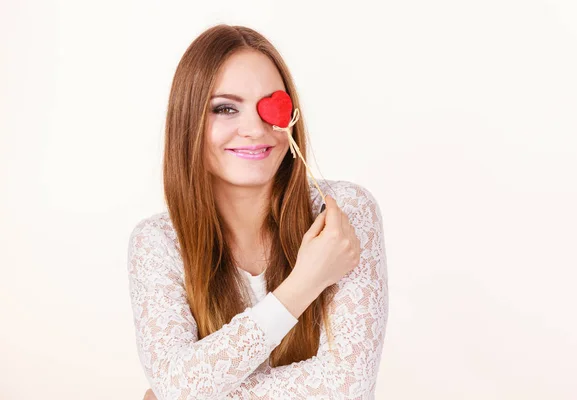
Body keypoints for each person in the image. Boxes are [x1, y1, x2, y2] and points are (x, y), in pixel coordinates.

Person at [127, 24, 389, 400]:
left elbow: (347, 385)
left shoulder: (343, 215)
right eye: (225, 108)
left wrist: (191, 392)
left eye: (270, 106)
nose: (254, 128)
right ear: (188, 122)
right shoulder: (157, 243)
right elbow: (177, 384)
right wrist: (305, 283)